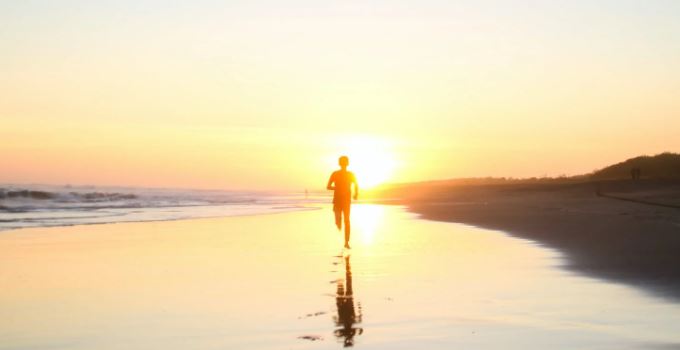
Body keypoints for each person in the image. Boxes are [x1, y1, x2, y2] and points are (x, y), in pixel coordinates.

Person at [327, 156, 359, 249]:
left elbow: (356, 184)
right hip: (338, 200)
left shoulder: (351, 174)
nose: (344, 164)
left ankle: (346, 242)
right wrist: (337, 188)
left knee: (346, 221)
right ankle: (339, 223)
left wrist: (356, 193)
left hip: (345, 201)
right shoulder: (335, 174)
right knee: (342, 221)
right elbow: (328, 186)